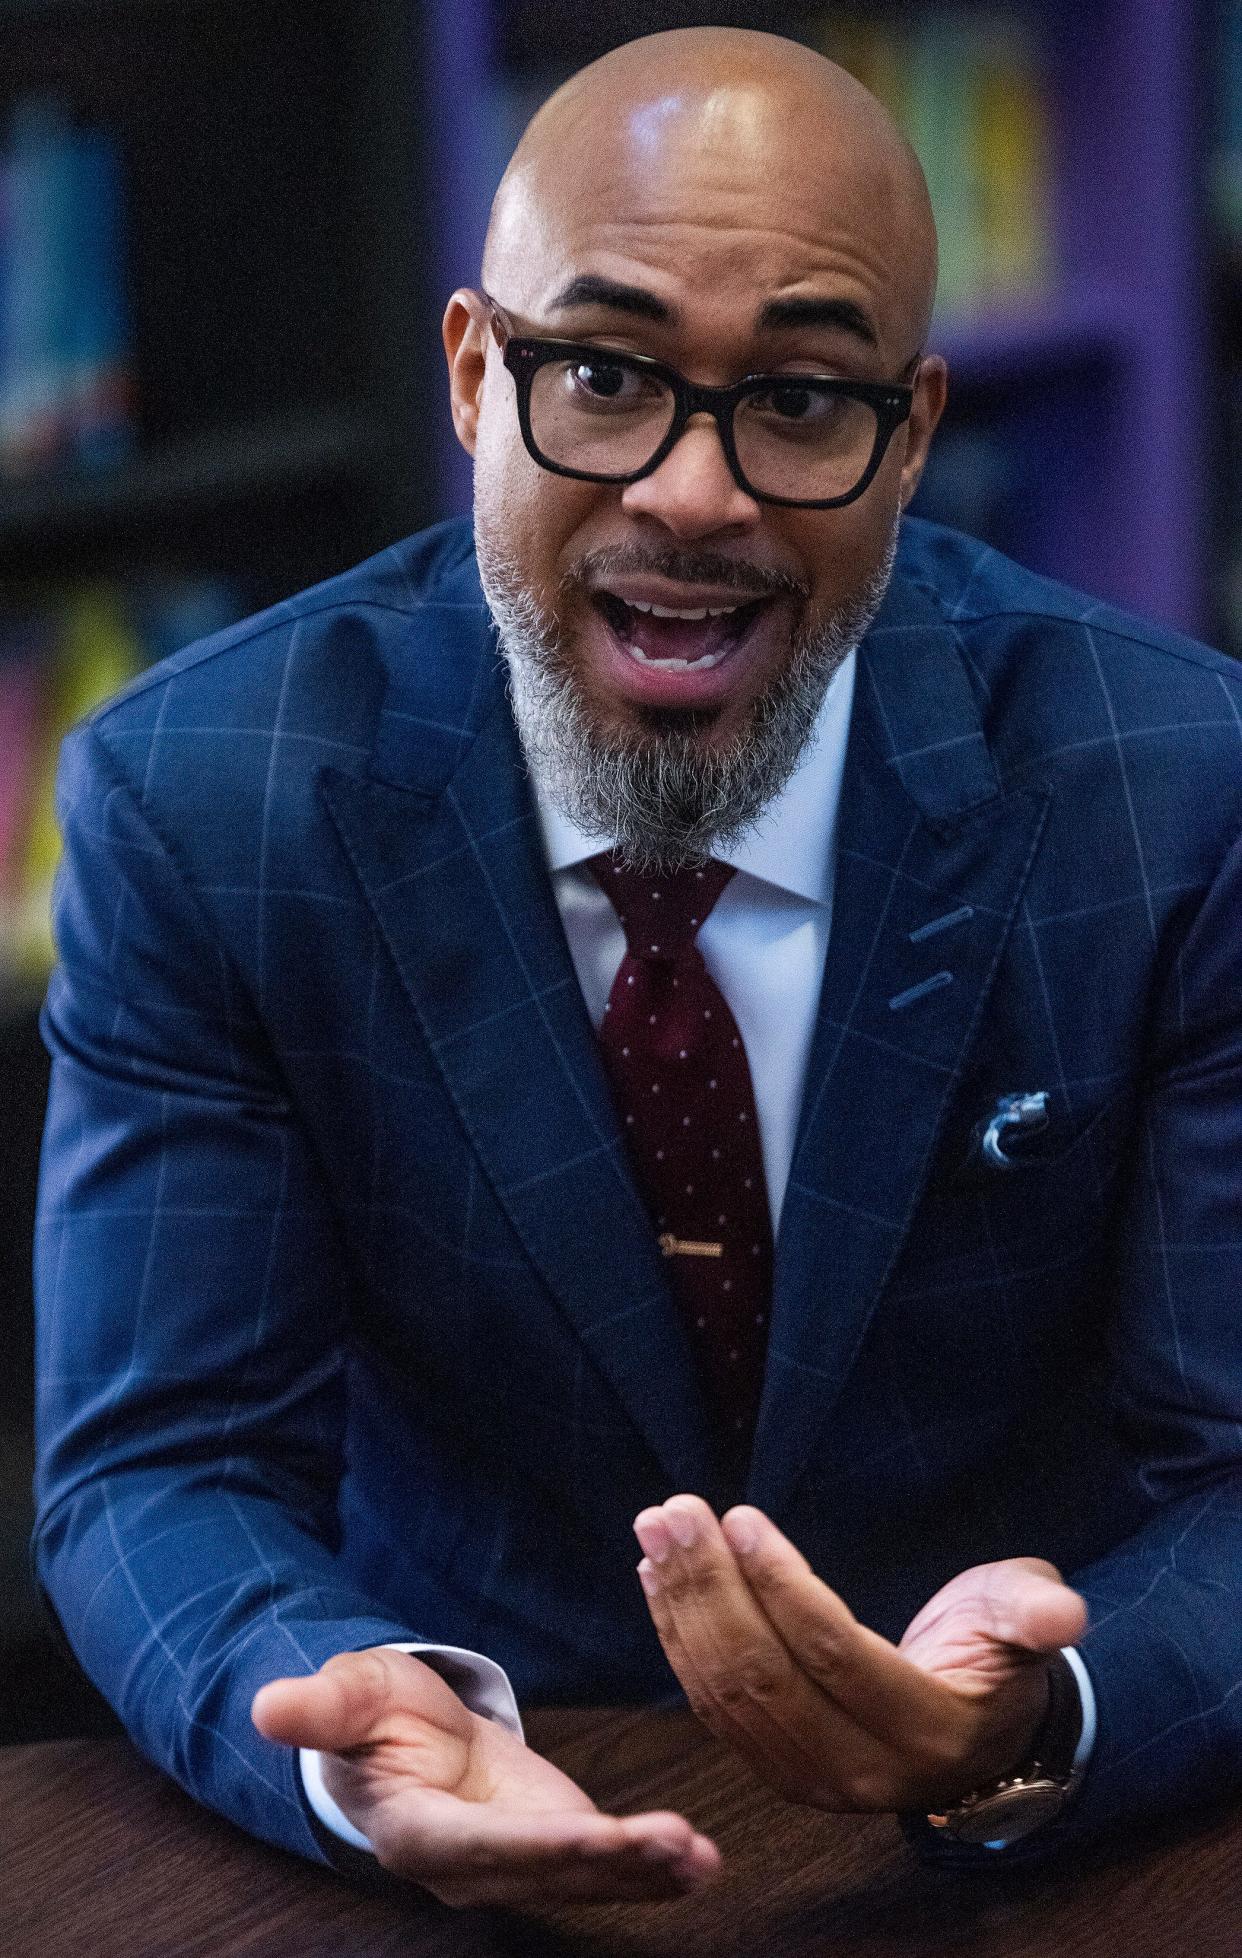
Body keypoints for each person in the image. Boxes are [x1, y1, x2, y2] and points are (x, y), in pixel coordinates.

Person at [33, 26, 1242, 1912]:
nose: (690, 494)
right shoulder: (206, 800)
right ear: (466, 374)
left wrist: (1046, 1716)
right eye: (599, 373)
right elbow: (159, 1458)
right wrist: (366, 1729)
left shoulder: (1172, 792)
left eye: (802, 398)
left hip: (1025, 1844)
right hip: (490, 1775)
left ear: (912, 436)